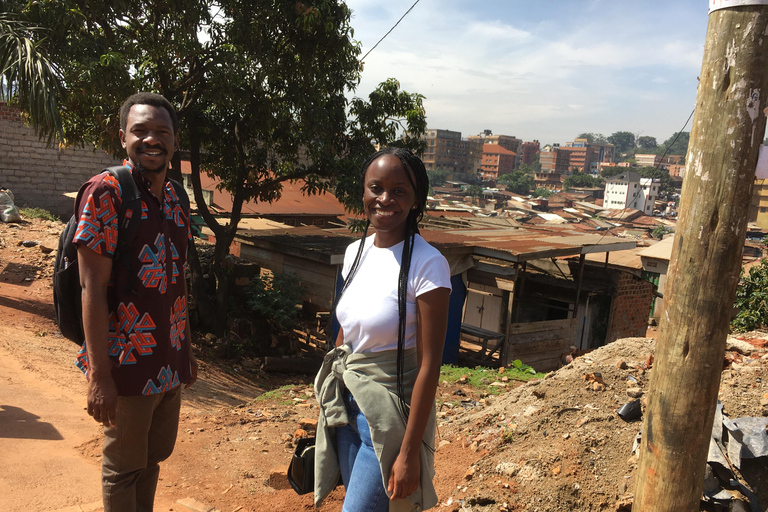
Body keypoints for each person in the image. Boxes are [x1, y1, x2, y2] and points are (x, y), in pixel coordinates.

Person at [73, 92, 197, 512]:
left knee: (151, 459)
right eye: (140, 130)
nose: (151, 140)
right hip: (124, 365)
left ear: (174, 141)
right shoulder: (107, 192)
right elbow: (91, 288)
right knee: (123, 467)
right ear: (122, 135)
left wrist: (187, 353)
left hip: (168, 361)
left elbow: (176, 280)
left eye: (161, 132)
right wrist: (100, 376)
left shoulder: (178, 197)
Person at [314, 148, 451, 511]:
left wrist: (408, 453)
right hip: (347, 406)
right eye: (376, 188)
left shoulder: (428, 264)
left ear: (416, 199)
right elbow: (345, 333)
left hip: (390, 414)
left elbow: (428, 366)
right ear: (363, 193)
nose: (385, 199)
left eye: (399, 190)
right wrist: (331, 400)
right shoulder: (354, 252)